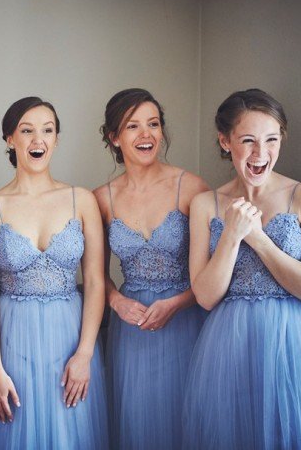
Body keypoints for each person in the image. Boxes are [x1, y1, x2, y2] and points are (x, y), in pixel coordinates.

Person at [183, 89, 301, 449]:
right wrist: (231, 235)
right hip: (228, 346)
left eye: (271, 139)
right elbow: (204, 295)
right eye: (248, 140)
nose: (260, 154)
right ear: (225, 140)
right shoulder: (205, 204)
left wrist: (259, 239)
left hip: (295, 342)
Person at [0, 96, 108, 449]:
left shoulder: (81, 200)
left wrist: (85, 353)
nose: (38, 140)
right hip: (12, 337)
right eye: (27, 131)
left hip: (70, 337)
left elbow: (94, 282)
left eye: (47, 131)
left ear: (57, 139)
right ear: (9, 139)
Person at [93, 88, 209, 450]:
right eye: (133, 126)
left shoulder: (191, 188)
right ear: (114, 137)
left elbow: (217, 271)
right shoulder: (101, 198)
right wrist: (116, 303)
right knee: (137, 425)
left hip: (186, 319)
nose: (146, 134)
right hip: (132, 327)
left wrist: (177, 303)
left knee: (188, 418)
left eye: (153, 124)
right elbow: (97, 276)